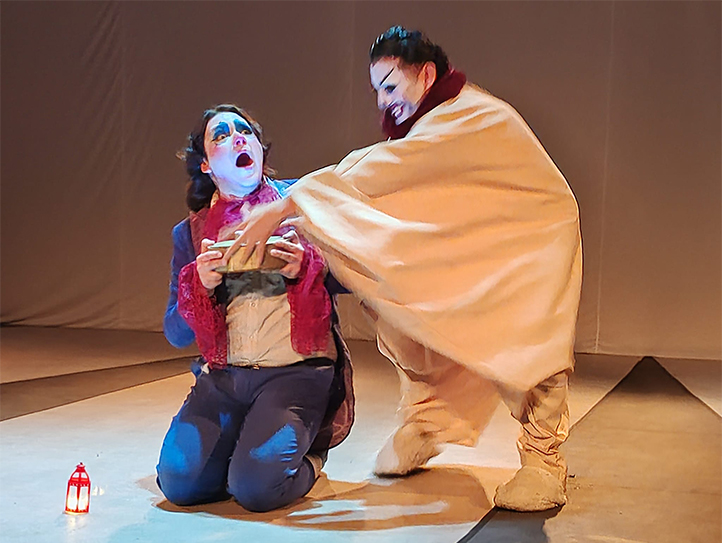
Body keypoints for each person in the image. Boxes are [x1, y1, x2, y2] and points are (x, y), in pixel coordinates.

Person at [228, 27, 582, 512]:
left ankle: (544, 461)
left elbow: (385, 166)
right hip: (479, 242)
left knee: (525, 337)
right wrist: (303, 209)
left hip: (533, 240)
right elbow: (391, 172)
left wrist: (289, 203)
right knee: (407, 302)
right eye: (377, 90)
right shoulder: (432, 124)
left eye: (391, 86)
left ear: (427, 74)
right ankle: (429, 421)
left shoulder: (469, 117)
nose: (383, 101)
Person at [156, 104, 354, 512]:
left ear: (260, 149)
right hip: (225, 380)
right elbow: (175, 333)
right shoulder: (191, 233)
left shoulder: (298, 204)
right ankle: (242, 452)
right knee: (178, 483)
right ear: (207, 165)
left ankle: (310, 458)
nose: (237, 138)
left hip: (294, 374)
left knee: (256, 490)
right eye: (221, 136)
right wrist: (200, 283)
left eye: (244, 131)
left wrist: (310, 266)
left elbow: (355, 276)